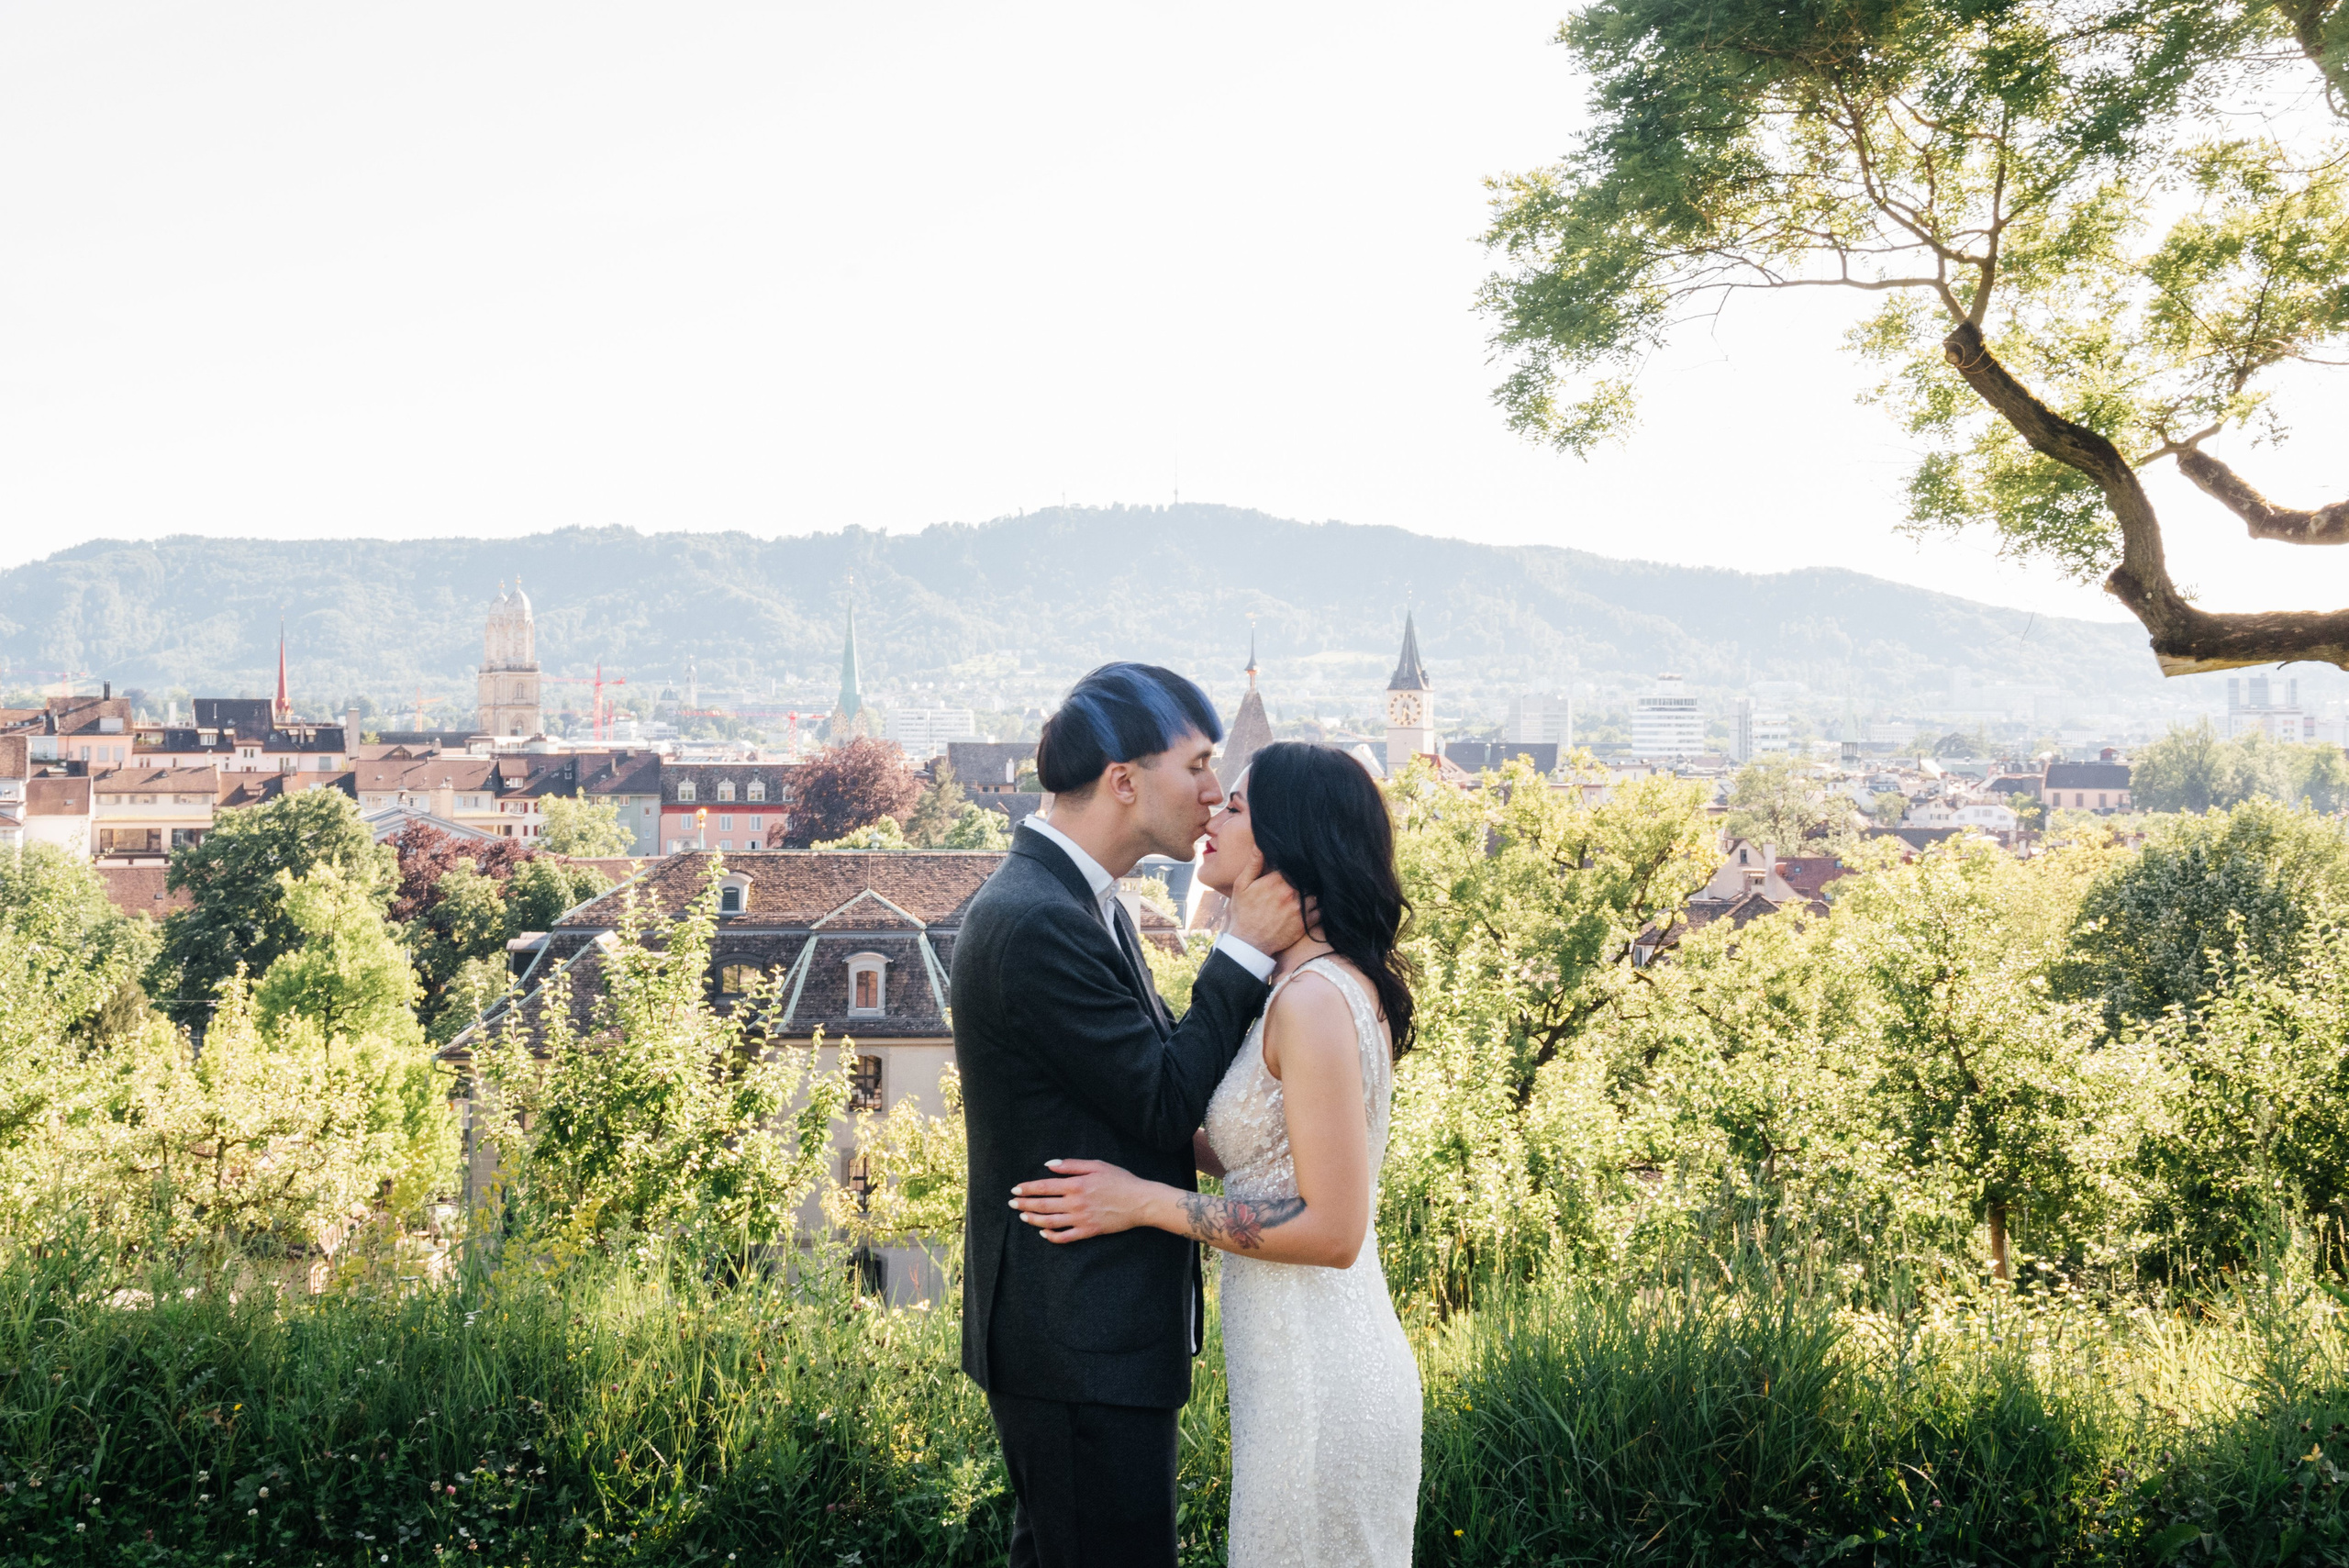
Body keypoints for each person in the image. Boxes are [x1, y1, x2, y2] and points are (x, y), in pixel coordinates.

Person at [1010, 740, 1422, 1566]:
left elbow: (1335, 1228)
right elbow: (1262, 1149)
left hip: (1321, 1376)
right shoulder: (1305, 982)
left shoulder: (1310, 1000)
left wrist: (1145, 1202)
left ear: (1288, 840)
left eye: (1235, 805)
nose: (1211, 813)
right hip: (1295, 1371)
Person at [953, 662, 1306, 1568]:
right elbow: (1158, 1094)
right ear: (1122, 779)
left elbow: (1134, 1095)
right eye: (1194, 765)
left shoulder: (1079, 901)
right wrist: (1240, 945)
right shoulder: (1038, 918)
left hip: (1091, 1332)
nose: (1213, 791)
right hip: (1076, 1336)